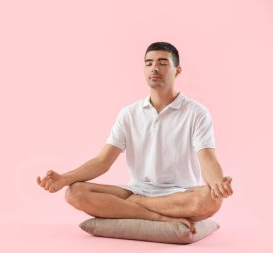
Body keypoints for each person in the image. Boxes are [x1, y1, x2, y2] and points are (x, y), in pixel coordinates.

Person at [37, 42, 233, 233]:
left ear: (178, 70)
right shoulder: (129, 113)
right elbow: (102, 161)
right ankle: (157, 216)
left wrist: (217, 184)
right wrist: (64, 178)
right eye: (148, 63)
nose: (154, 68)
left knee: (211, 199)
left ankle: (134, 207)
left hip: (179, 194)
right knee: (74, 192)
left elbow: (207, 158)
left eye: (162, 63)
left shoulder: (197, 112)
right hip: (135, 190)